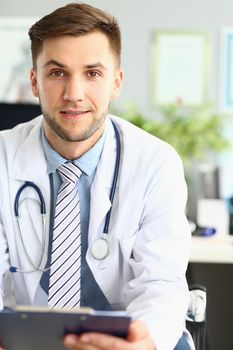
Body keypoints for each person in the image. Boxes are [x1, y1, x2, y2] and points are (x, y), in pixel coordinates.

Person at [0, 3, 194, 350]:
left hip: (121, 339)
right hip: (22, 339)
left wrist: (142, 343)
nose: (74, 94)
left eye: (92, 73)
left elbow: (161, 283)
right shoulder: (2, 157)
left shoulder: (155, 162)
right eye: (57, 72)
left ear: (116, 82)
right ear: (34, 81)